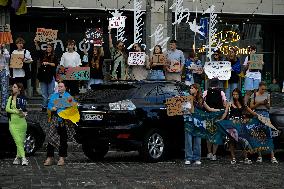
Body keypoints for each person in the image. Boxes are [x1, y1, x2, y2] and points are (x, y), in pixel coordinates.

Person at [220, 88, 257, 164]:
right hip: (232, 124)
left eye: (236, 94)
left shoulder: (243, 104)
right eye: (233, 94)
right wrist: (220, 120)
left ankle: (246, 157)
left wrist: (259, 116)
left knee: (244, 140)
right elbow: (225, 113)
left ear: (239, 95)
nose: (235, 96)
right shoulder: (229, 103)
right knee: (232, 141)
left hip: (241, 124)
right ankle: (233, 158)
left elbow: (251, 111)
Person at [44, 81, 76, 166]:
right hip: (54, 119)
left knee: (63, 140)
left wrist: (64, 106)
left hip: (64, 121)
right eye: (58, 86)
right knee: (50, 138)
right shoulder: (53, 96)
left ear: (65, 87)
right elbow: (49, 106)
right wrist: (52, 108)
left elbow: (73, 105)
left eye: (61, 86)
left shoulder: (68, 96)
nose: (59, 88)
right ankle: (49, 157)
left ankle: (62, 158)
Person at [249, 81, 278, 163]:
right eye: (262, 89)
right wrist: (259, 103)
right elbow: (251, 107)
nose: (263, 91)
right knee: (258, 134)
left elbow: (269, 107)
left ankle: (272, 156)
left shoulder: (267, 95)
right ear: (259, 87)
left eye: (265, 89)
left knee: (268, 134)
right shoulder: (254, 95)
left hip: (265, 114)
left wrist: (266, 104)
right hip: (257, 114)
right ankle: (259, 156)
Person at [203, 79, 227, 161]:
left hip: (208, 116)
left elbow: (202, 102)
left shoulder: (206, 92)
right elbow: (224, 103)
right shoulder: (221, 92)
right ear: (218, 84)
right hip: (218, 116)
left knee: (208, 135)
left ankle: (209, 153)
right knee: (216, 135)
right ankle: (214, 154)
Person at [6, 83, 28, 166]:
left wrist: (24, 113)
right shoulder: (10, 97)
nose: (13, 88)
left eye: (14, 87)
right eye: (13, 87)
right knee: (18, 140)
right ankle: (24, 158)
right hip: (13, 124)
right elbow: (7, 109)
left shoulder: (23, 99)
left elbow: (25, 110)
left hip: (22, 123)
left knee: (21, 142)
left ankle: (17, 157)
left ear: (19, 89)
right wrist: (16, 111)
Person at [35, 42, 58, 112]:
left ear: (52, 48)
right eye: (47, 47)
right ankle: (44, 107)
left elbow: (55, 64)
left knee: (51, 93)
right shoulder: (43, 55)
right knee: (44, 93)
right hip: (43, 76)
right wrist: (36, 43)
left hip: (50, 76)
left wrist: (48, 63)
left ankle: (50, 107)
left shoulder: (54, 56)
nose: (48, 48)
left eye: (50, 47)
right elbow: (38, 51)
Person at [184, 83, 203, 165]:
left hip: (198, 122)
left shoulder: (201, 99)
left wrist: (220, 111)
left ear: (196, 89)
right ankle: (189, 157)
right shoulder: (187, 97)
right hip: (189, 120)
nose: (190, 89)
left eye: (192, 88)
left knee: (198, 140)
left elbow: (207, 108)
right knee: (188, 140)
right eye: (190, 88)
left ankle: (197, 158)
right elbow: (183, 107)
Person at [0, 44, 10, 111]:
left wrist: (3, 48)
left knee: (4, 89)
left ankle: (3, 105)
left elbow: (8, 57)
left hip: (3, 71)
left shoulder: (4, 50)